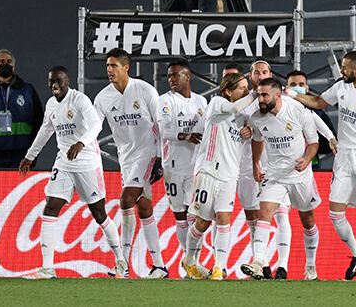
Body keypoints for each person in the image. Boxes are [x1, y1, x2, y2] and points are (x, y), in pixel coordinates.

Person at [286, 50, 356, 281]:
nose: (341, 71)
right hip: (345, 157)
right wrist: (291, 94)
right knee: (335, 214)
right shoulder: (341, 87)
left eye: (345, 68)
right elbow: (318, 102)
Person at [18, 66, 125, 279]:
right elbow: (45, 130)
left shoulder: (80, 100)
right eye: (51, 82)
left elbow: (96, 125)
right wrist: (30, 155)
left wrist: (81, 143)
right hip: (64, 162)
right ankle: (47, 268)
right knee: (51, 206)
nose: (54, 86)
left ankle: (120, 261)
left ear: (68, 82)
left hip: (87, 163)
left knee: (99, 214)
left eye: (58, 81)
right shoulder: (51, 104)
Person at [93, 48, 168, 279]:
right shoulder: (103, 97)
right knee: (144, 208)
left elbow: (161, 124)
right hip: (125, 158)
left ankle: (122, 265)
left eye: (114, 65)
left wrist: (159, 157)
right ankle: (160, 267)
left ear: (126, 68)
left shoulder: (145, 90)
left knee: (125, 200)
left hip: (146, 155)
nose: (109, 70)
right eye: (107, 66)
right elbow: (94, 128)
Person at [241, 78, 322, 281]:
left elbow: (313, 143)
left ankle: (310, 265)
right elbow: (257, 141)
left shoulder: (298, 112)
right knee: (264, 213)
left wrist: (307, 158)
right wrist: (256, 163)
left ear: (278, 95)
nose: (260, 99)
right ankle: (258, 262)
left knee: (308, 221)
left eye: (264, 95)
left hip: (299, 173)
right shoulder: (256, 118)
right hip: (275, 174)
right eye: (259, 94)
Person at [182, 72, 257, 280]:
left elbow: (257, 131)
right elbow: (234, 107)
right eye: (242, 87)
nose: (246, 91)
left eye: (247, 87)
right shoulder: (216, 103)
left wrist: (250, 131)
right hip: (208, 171)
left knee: (224, 218)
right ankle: (189, 260)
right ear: (228, 91)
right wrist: (256, 92)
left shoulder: (245, 116)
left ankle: (219, 267)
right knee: (203, 222)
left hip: (230, 175)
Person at [156, 60, 208, 275]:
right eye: (170, 76)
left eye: (176, 75)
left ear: (188, 76)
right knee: (180, 215)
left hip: (197, 167)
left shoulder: (201, 101)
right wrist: (184, 135)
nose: (172, 79)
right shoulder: (165, 100)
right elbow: (163, 130)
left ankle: (191, 261)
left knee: (196, 217)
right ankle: (190, 265)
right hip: (174, 166)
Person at [286, 70, 337, 169]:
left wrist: (310, 141)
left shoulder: (316, 112)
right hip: (282, 163)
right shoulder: (277, 109)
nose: (297, 88)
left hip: (310, 165)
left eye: (301, 84)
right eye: (293, 85)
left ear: (307, 88)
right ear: (286, 88)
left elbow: (328, 143)